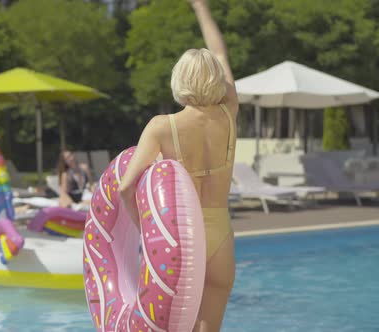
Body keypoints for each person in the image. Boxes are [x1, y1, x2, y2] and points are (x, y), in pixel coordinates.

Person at [118, 1, 237, 331]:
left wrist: (144, 231)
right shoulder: (229, 114)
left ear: (179, 79)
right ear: (216, 79)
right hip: (222, 236)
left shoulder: (161, 126)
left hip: (180, 241)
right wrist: (201, 8)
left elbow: (126, 188)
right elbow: (221, 55)